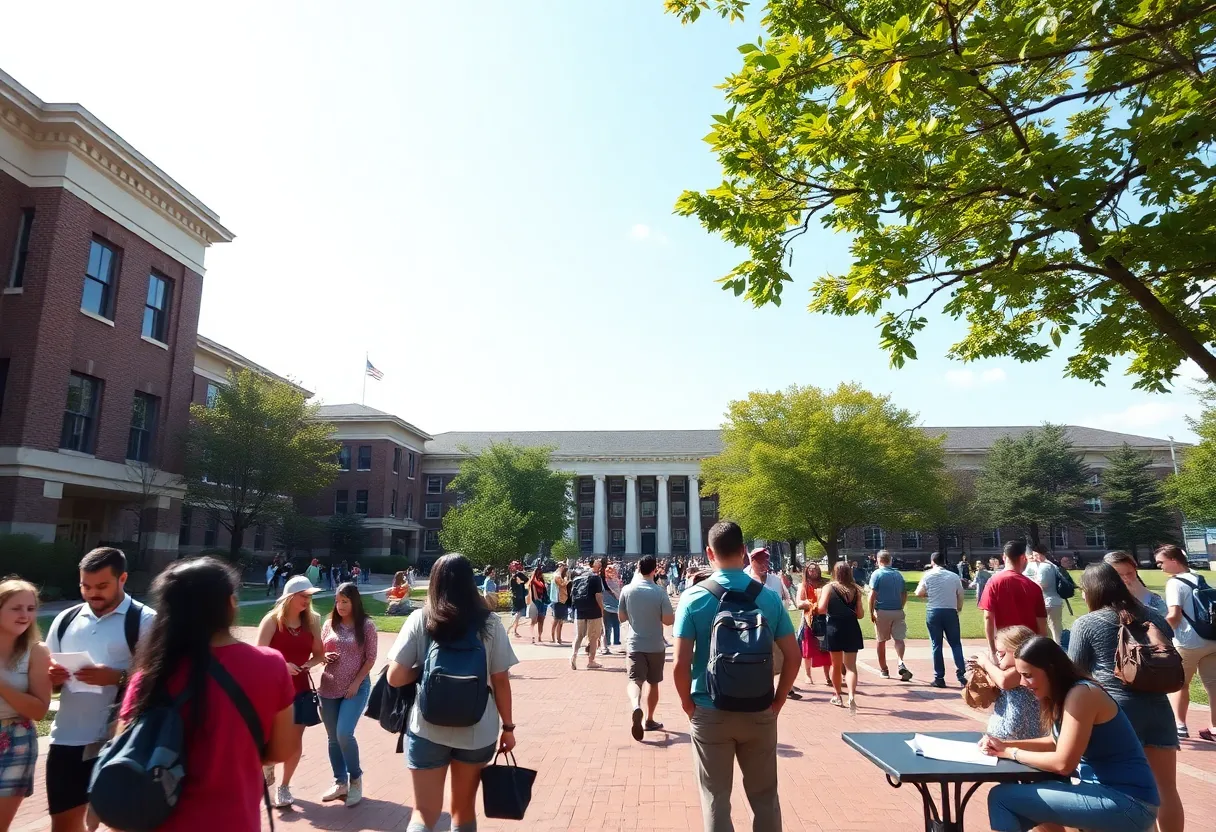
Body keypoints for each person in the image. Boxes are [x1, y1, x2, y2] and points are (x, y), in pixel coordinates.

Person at [119, 557, 298, 831]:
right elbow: (282, 750)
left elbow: (126, 752)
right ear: (230, 604)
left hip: (157, 820)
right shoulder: (270, 665)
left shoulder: (149, 676)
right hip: (234, 820)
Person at [673, 521, 799, 832]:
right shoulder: (767, 597)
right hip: (759, 708)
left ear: (709, 553)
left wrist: (688, 705)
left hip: (709, 708)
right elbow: (794, 656)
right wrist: (779, 700)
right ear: (744, 552)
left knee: (715, 797)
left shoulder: (693, 598)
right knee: (765, 797)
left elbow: (679, 664)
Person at [387, 554, 517, 832]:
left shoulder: (421, 619)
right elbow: (501, 681)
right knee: (463, 810)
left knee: (423, 813)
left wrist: (422, 672)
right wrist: (508, 727)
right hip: (477, 728)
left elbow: (395, 677)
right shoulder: (490, 623)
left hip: (427, 727)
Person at [983, 636, 1160, 832]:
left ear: (1051, 669)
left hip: (1128, 802)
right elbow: (1054, 742)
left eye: (1029, 675)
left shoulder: (1082, 694)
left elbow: (1063, 764)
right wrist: (1003, 745)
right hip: (1110, 796)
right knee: (1018, 805)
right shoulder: (1065, 694)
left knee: (1002, 799)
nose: (1023, 682)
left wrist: (1011, 752)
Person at [46, 547, 156, 832]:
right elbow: (50, 681)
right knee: (63, 823)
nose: (92, 593)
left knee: (121, 823)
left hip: (122, 742)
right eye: (86, 586)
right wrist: (53, 678)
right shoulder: (65, 620)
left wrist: (118, 677)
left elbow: (161, 679)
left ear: (123, 579)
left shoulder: (146, 621)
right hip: (67, 738)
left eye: (102, 586)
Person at [1069, 563, 1182, 832]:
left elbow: (1075, 670)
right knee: (1166, 788)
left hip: (1115, 711)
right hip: (1158, 707)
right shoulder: (1153, 615)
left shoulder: (1086, 623)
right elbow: (1168, 639)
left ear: (1091, 591)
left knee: (1125, 790)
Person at [256, 574, 327, 808]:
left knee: (295, 740)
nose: (307, 600)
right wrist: (282, 665)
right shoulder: (272, 620)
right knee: (271, 737)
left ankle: (285, 786)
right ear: (290, 597)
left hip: (300, 689)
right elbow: (258, 654)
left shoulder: (313, 621)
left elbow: (319, 654)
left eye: (309, 596)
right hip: (273, 689)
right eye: (303, 596)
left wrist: (308, 664)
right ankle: (269, 766)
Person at [317, 583, 377, 807]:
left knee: (344, 733)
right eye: (337, 601)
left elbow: (371, 658)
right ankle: (340, 781)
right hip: (328, 687)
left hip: (355, 689)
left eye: (345, 601)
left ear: (354, 602)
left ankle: (356, 779)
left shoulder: (366, 626)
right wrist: (325, 656)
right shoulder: (329, 624)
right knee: (333, 737)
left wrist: (356, 683)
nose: (340, 605)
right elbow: (319, 651)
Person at [0, 579, 50, 829]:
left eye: (30, 609)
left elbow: (39, 710)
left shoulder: (37, 652)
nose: (24, 615)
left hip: (15, 742)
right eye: (16, 608)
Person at [1156, 544, 1216, 742]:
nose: (1160, 566)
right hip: (1211, 639)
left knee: (1180, 684)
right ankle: (1215, 727)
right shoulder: (1198, 576)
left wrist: (1157, 631)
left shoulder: (1174, 583)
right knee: (1213, 685)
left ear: (1174, 561)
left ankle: (1180, 725)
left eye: (1162, 562)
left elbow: (1174, 615)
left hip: (1188, 642)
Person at [617, 555, 675, 741]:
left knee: (635, 680)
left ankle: (636, 706)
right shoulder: (659, 592)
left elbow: (621, 617)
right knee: (654, 682)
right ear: (654, 570)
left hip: (634, 643)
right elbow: (668, 620)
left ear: (638, 568)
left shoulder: (627, 590)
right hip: (655, 645)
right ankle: (649, 719)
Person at [745, 548, 803, 699]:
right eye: (761, 561)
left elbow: (783, 601)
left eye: (766, 561)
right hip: (751, 629)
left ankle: (781, 690)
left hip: (773, 627)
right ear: (752, 561)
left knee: (780, 659)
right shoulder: (744, 577)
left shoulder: (774, 580)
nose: (765, 565)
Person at [968, 625, 1040, 741]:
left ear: (1019, 650)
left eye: (1002, 653)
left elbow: (1004, 681)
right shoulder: (1007, 670)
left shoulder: (1024, 670)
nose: (998, 656)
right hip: (1004, 738)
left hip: (1022, 740)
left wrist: (986, 663)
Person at [979, 541, 1048, 660]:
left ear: (1004, 557)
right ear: (1023, 558)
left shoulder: (993, 582)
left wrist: (992, 650)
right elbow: (1042, 623)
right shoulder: (1033, 587)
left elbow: (988, 617)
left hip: (1005, 646)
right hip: (1029, 647)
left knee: (1003, 677)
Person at [818, 560, 865, 712]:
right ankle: (852, 696)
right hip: (851, 627)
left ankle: (838, 696)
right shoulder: (856, 589)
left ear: (835, 572)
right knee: (851, 666)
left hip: (834, 627)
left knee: (836, 665)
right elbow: (860, 614)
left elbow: (821, 608)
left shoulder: (829, 587)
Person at [916, 551, 967, 688]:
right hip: (950, 611)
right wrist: (958, 608)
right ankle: (962, 674)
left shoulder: (928, 575)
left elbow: (918, 593)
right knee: (955, 644)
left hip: (934, 611)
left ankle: (939, 677)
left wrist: (930, 594)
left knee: (936, 645)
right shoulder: (954, 576)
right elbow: (960, 594)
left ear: (932, 562)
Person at [867, 550, 913, 682]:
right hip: (897, 610)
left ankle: (884, 669)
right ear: (890, 560)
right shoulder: (898, 574)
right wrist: (901, 606)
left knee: (881, 640)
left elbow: (872, 595)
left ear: (878, 560)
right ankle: (900, 661)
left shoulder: (877, 574)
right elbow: (904, 594)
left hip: (882, 610)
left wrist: (871, 612)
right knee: (899, 639)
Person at [795, 563, 831, 686]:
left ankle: (827, 676)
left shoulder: (825, 585)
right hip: (808, 619)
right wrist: (810, 604)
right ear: (806, 571)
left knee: (825, 648)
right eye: (810, 569)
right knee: (807, 649)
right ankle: (808, 674)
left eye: (815, 569)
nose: (813, 571)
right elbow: (799, 603)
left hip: (823, 619)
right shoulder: (803, 585)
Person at [1104, 551, 1168, 618]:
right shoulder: (1102, 596)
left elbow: (1162, 617)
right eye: (1119, 575)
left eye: (1129, 573)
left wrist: (1141, 596)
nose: (1126, 578)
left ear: (1135, 571)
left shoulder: (1152, 599)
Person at [570, 558, 605, 670]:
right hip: (594, 610)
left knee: (579, 636)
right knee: (593, 637)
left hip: (580, 610)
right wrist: (602, 610)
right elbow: (598, 596)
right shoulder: (595, 578)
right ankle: (591, 661)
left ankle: (573, 656)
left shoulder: (577, 579)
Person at [1027, 543, 1066, 643]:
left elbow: (1042, 585)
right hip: (1056, 600)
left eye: (1035, 555)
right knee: (1055, 627)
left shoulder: (1044, 567)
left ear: (1040, 554)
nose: (1034, 558)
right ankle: (1057, 647)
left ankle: (1054, 648)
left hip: (1048, 601)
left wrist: (1032, 580)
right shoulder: (1053, 565)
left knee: (1049, 627)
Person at [600, 563, 623, 655]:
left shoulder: (606, 581)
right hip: (611, 605)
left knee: (609, 625)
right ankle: (613, 641)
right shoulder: (615, 581)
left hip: (609, 605)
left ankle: (611, 641)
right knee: (612, 624)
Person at [526, 564, 548, 643]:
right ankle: (534, 637)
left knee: (539, 621)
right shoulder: (533, 582)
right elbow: (534, 595)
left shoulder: (540, 581)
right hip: (536, 603)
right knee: (535, 621)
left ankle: (538, 637)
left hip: (540, 602)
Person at [550, 563, 570, 645]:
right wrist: (566, 579)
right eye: (563, 567)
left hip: (563, 600)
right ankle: (553, 637)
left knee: (561, 621)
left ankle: (559, 638)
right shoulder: (557, 576)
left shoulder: (561, 576)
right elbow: (562, 585)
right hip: (558, 600)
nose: (564, 569)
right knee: (556, 620)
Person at [507, 562, 528, 638]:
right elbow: (513, 588)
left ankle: (514, 630)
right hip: (517, 598)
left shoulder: (518, 575)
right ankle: (509, 629)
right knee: (517, 615)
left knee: (518, 615)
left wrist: (521, 581)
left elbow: (526, 579)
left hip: (520, 597)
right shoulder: (513, 577)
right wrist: (519, 581)